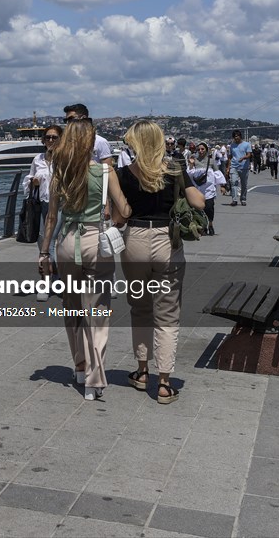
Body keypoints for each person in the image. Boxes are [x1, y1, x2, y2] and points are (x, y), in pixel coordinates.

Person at [39, 119, 130, 402]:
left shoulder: (59, 173)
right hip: (96, 240)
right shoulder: (105, 171)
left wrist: (44, 253)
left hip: (66, 243)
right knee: (99, 312)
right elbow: (124, 209)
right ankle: (94, 378)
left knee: (72, 306)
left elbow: (52, 218)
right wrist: (113, 219)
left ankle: (79, 365)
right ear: (91, 143)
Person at [118, 120, 205, 404]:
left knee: (140, 308)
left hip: (135, 240)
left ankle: (142, 372)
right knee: (167, 314)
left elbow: (119, 217)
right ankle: (165, 383)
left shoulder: (124, 174)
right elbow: (199, 203)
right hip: (168, 240)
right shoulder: (175, 168)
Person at [25, 124, 62, 302]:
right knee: (42, 242)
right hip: (42, 205)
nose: (50, 140)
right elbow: (28, 180)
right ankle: (51, 279)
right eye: (47, 137)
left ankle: (51, 282)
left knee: (52, 242)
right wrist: (33, 182)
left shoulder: (64, 159)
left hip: (61, 206)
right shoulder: (37, 159)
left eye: (54, 137)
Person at [187, 142, 221, 235]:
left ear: (206, 150)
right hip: (198, 188)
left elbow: (218, 173)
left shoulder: (211, 161)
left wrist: (222, 186)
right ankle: (203, 226)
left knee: (209, 207)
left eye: (202, 149)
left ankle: (210, 223)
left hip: (209, 188)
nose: (200, 151)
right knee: (199, 208)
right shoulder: (195, 161)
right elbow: (189, 174)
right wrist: (191, 164)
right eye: (198, 149)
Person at [226, 130, 252, 206]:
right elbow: (230, 157)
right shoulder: (232, 145)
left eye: (237, 136)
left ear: (240, 136)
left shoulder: (247, 144)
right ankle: (234, 200)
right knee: (233, 183)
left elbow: (249, 154)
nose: (236, 138)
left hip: (244, 167)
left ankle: (243, 199)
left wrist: (243, 158)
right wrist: (228, 168)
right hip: (234, 166)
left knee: (244, 184)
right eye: (234, 137)